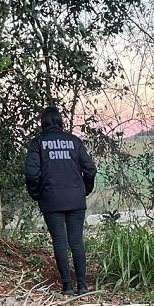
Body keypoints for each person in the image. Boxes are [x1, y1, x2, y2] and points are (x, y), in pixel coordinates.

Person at [25, 106, 97, 295]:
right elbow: (90, 169)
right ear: (60, 122)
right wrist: (84, 190)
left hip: (51, 200)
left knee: (59, 241)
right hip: (75, 198)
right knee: (76, 242)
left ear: (43, 123)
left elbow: (32, 174)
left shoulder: (38, 143)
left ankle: (67, 286)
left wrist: (37, 194)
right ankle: (82, 285)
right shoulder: (74, 141)